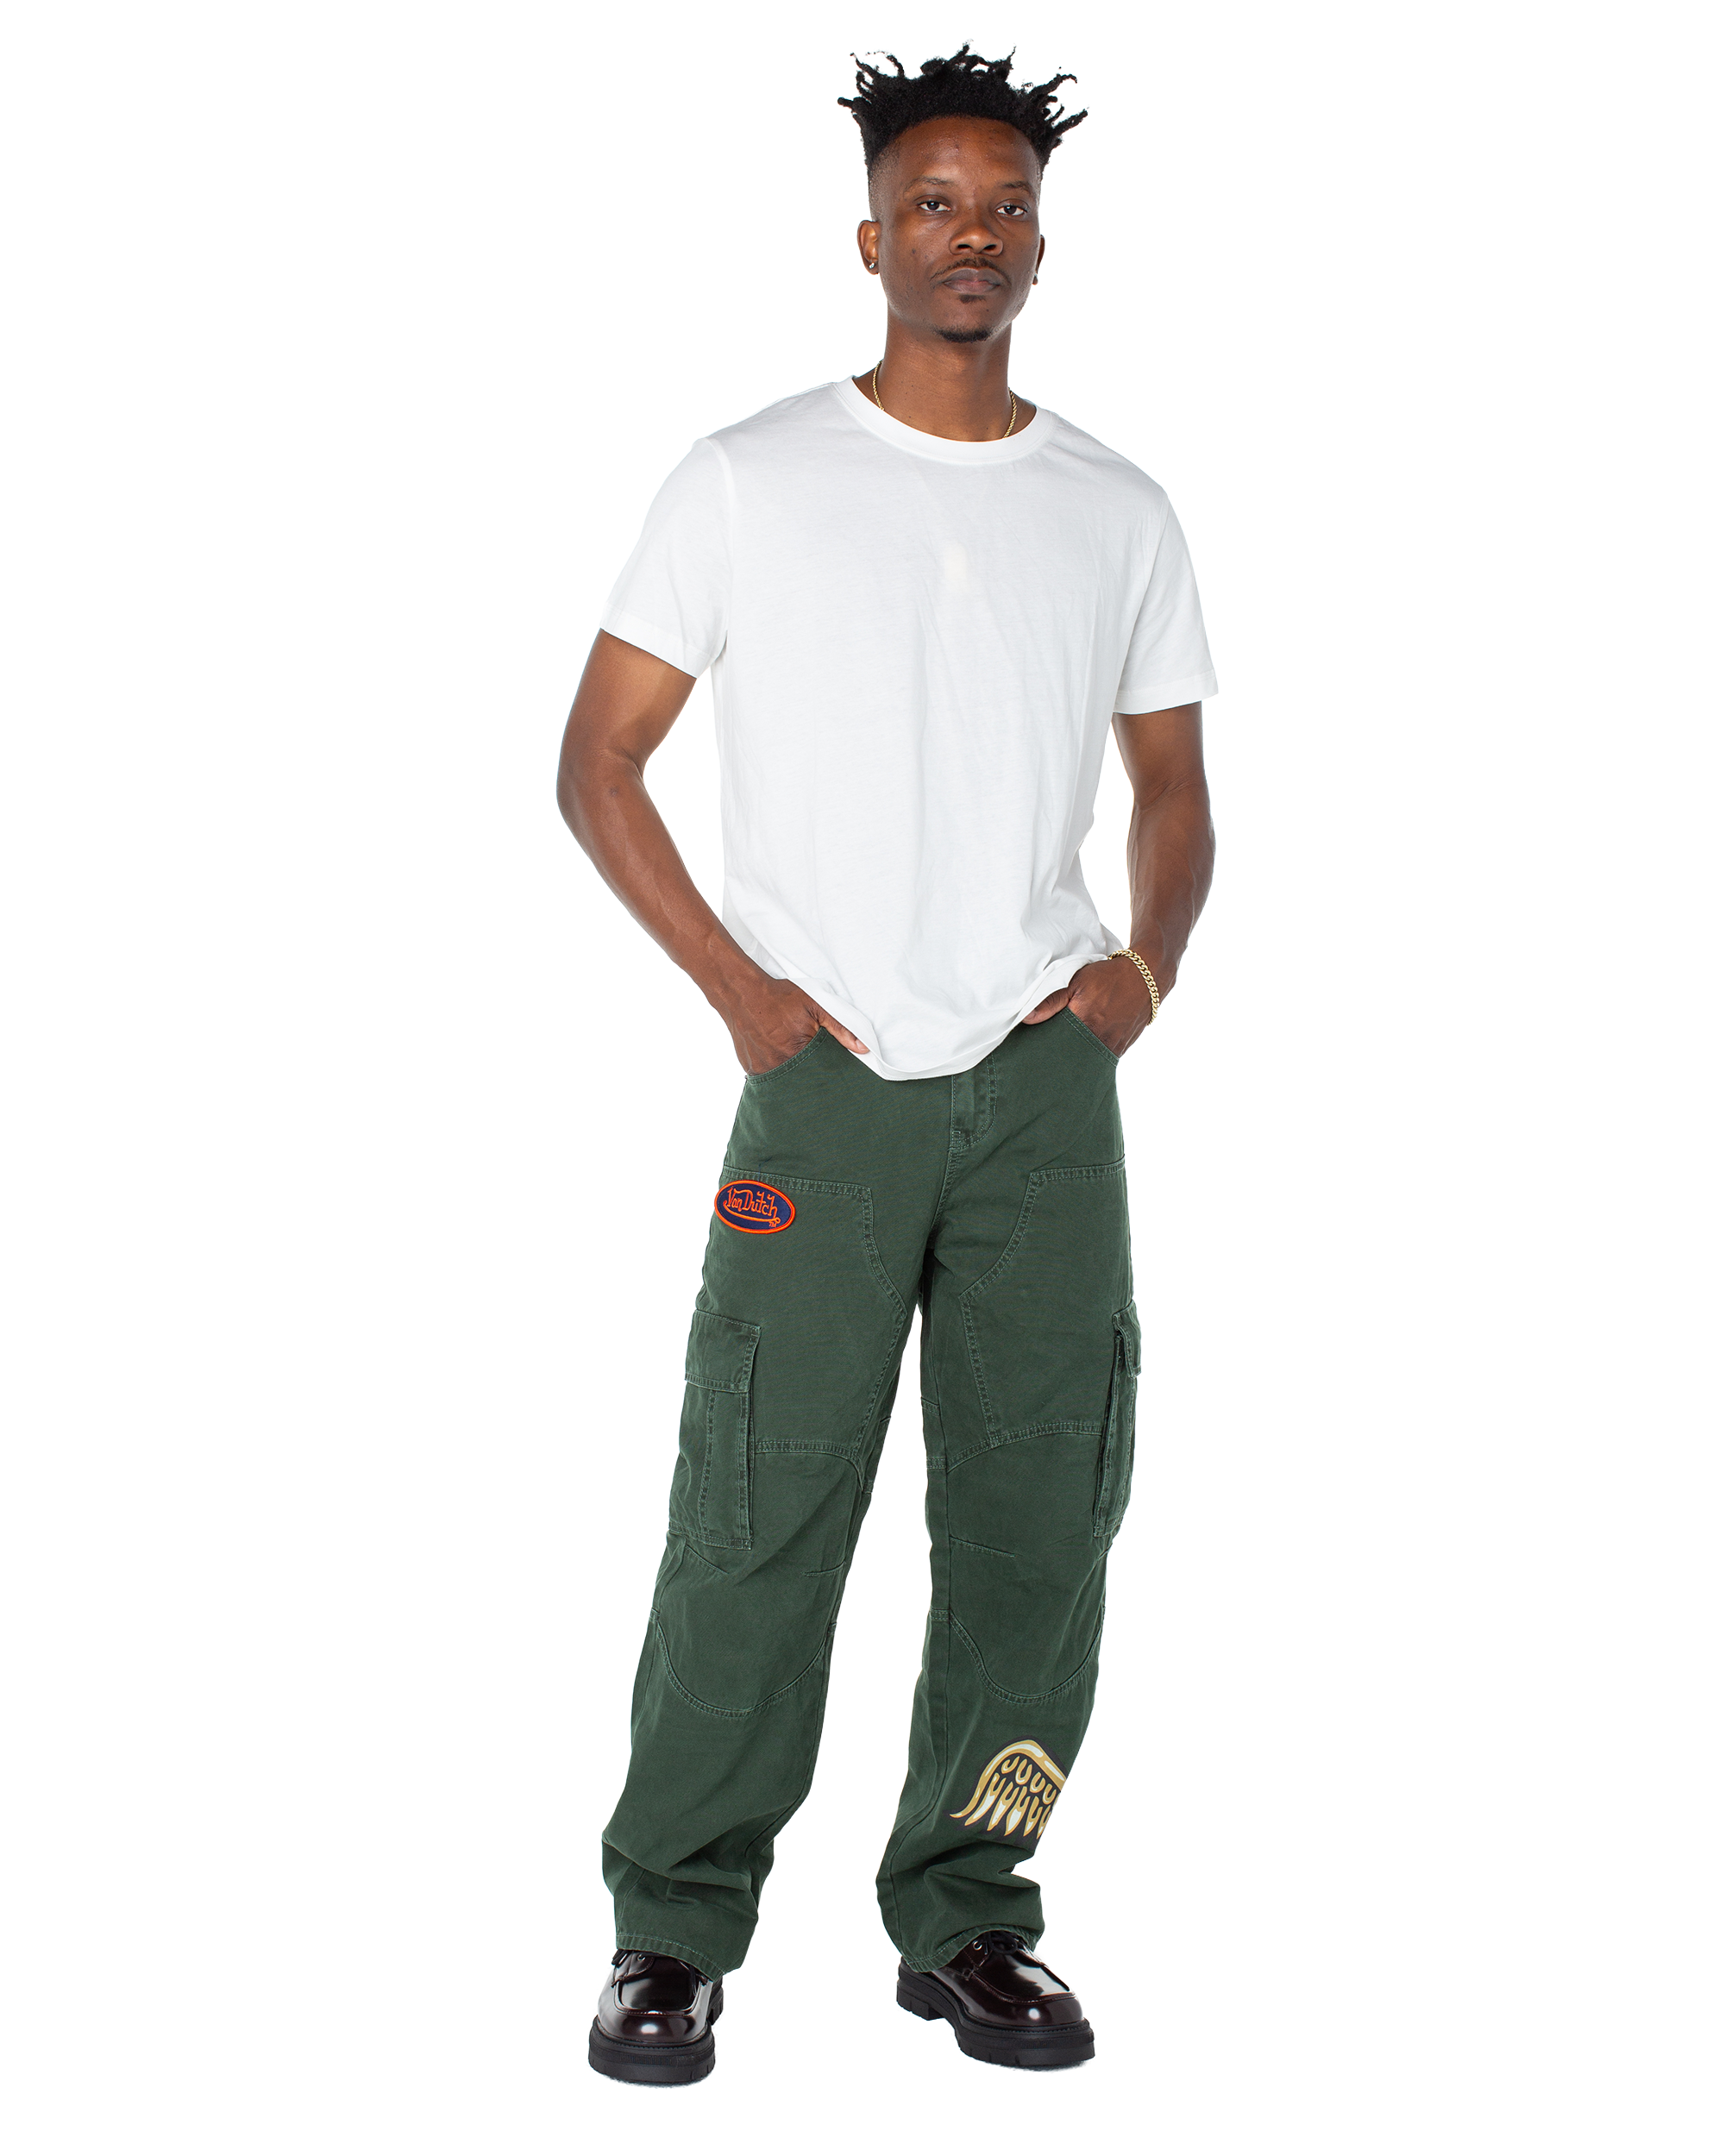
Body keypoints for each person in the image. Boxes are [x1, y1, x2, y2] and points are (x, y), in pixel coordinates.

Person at [559, 45, 1217, 2083]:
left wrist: (1141, 972)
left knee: (1038, 1521)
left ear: (1041, 241)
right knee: (756, 1509)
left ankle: (972, 1908)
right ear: (871, 238)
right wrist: (737, 993)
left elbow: (1176, 789)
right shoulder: (747, 478)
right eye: (933, 204)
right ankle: (673, 1925)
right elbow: (598, 763)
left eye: (1003, 205)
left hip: (1042, 1080)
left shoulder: (1113, 506)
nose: (970, 235)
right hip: (824, 1078)